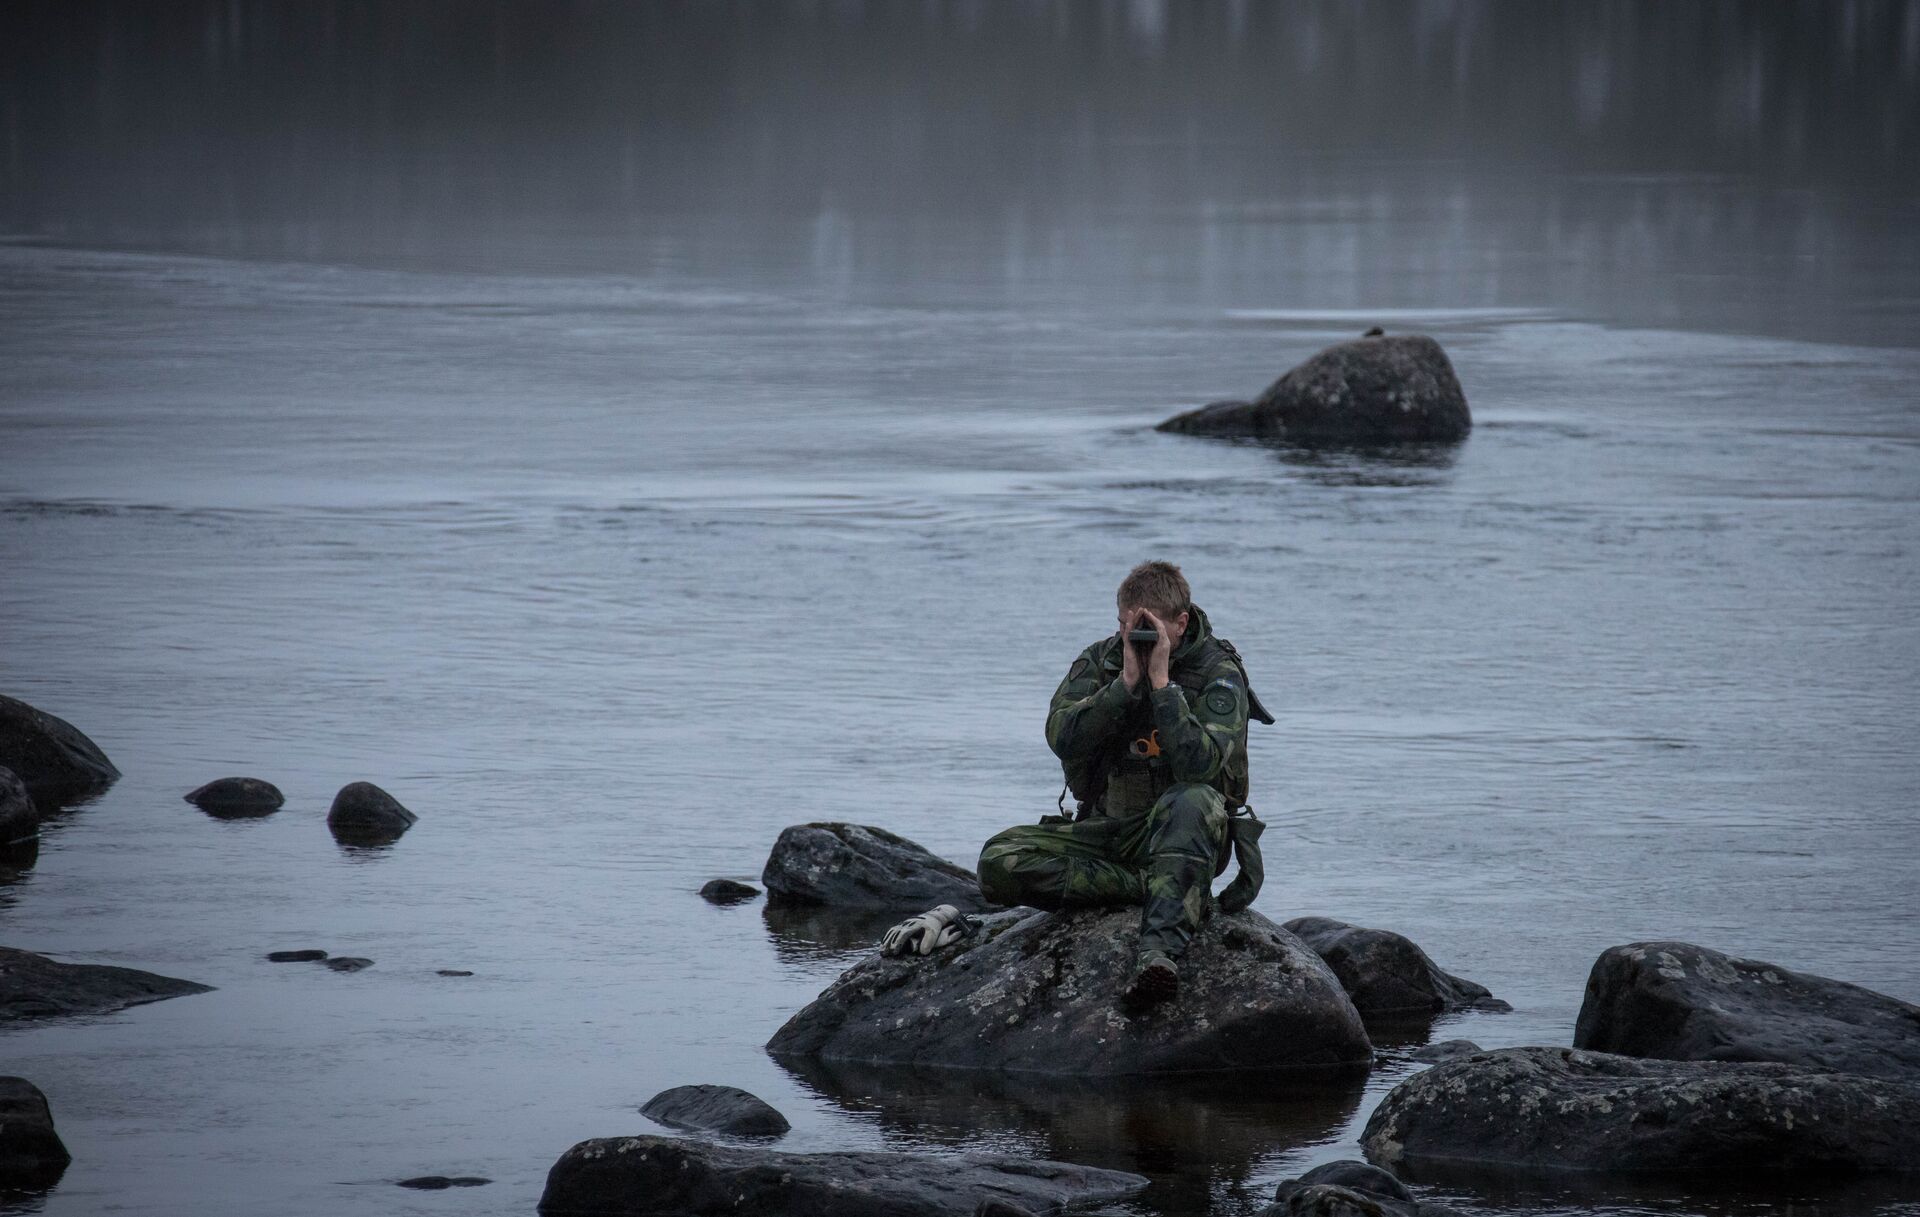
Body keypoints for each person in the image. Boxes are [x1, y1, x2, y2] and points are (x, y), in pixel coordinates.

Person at [885, 561, 1271, 1011]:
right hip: (1105, 832)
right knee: (998, 861)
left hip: (1185, 835)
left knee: (1194, 798)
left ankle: (1159, 953)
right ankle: (1159, 887)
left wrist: (1163, 686)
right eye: (1129, 627)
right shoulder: (1102, 661)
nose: (1139, 639)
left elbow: (1201, 768)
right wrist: (1125, 684)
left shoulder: (1217, 673)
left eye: (1151, 630)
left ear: (1181, 623)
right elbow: (1060, 737)